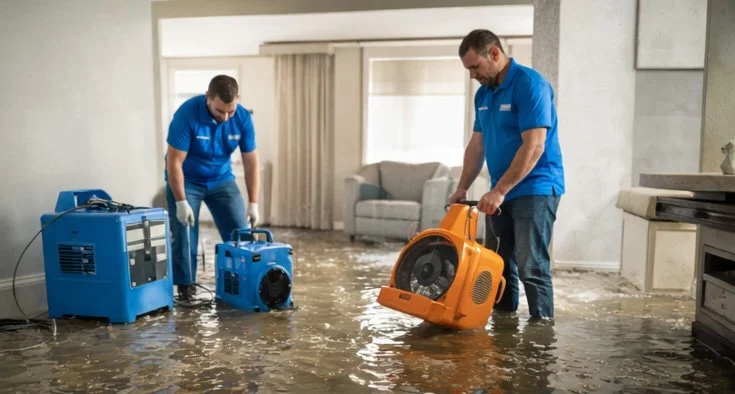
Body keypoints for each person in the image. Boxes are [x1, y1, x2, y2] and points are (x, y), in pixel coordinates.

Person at [448, 29, 565, 320]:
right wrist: (463, 187)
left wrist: (499, 191)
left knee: (531, 266)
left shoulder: (530, 85)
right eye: (468, 69)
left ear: (495, 54)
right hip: (500, 191)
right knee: (497, 264)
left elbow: (535, 145)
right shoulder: (483, 95)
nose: (472, 75)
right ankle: (504, 333)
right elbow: (477, 144)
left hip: (536, 187)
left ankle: (541, 336)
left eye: (476, 66)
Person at [165, 75, 260, 300]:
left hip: (221, 179)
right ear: (208, 97)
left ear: (238, 100)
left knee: (241, 231)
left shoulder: (243, 118)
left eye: (231, 111)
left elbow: (251, 161)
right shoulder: (186, 115)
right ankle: (186, 286)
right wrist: (180, 202)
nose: (225, 117)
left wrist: (254, 203)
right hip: (187, 179)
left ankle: (243, 280)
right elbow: (174, 161)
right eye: (219, 111)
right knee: (185, 232)